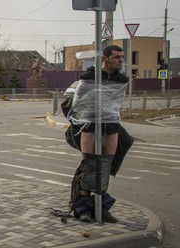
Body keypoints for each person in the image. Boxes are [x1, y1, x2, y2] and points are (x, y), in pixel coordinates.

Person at [68, 45, 128, 223]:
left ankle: (101, 208)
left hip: (111, 125)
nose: (120, 61)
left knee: (104, 166)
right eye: (117, 57)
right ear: (105, 58)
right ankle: (83, 208)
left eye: (121, 57)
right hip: (90, 124)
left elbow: (116, 104)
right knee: (90, 164)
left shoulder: (121, 80)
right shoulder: (89, 77)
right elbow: (79, 104)